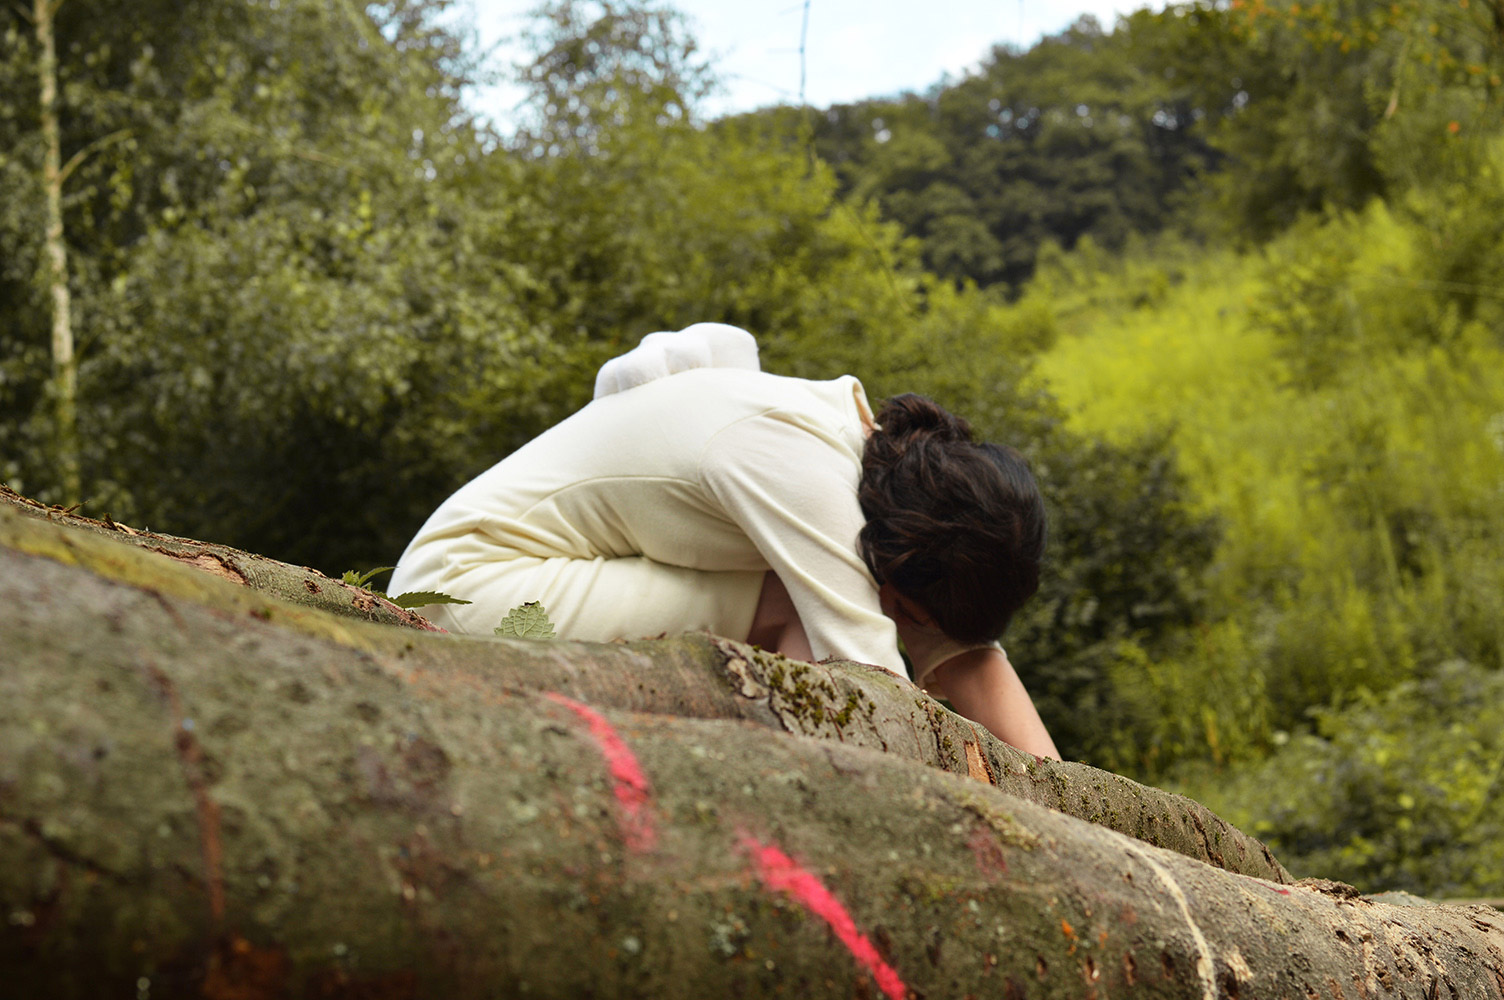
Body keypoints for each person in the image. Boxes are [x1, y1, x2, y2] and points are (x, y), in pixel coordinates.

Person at [390, 323, 1060, 759]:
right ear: (899, 563)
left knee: (807, 618)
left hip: (521, 576)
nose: (905, 624)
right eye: (912, 613)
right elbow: (879, 692)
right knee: (803, 617)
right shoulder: (800, 467)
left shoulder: (867, 471)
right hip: (467, 588)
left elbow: (972, 660)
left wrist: (1073, 807)